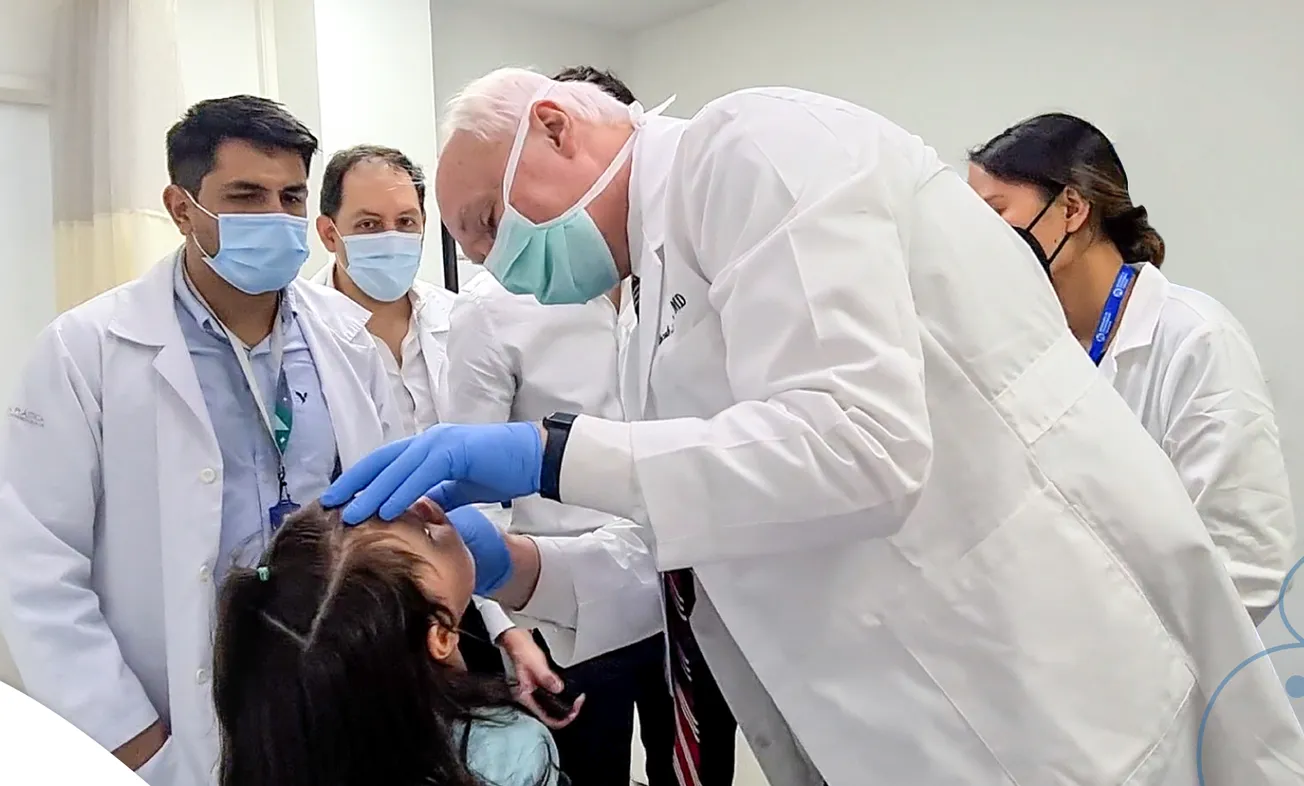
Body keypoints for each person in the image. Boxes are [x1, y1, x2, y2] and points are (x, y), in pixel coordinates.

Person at [322, 69, 1304, 785]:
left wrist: (548, 452)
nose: (493, 268)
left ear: (554, 126)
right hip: (895, 725)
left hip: (1035, 705)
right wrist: (522, 565)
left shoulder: (751, 149)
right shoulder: (644, 301)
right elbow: (710, 541)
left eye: (487, 223)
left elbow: (856, 448)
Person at [0, 95, 399, 786]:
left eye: (291, 196)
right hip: (175, 717)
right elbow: (34, 567)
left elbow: (382, 514)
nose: (275, 218)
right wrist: (133, 743)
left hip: (330, 694)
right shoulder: (86, 351)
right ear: (182, 207)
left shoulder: (347, 339)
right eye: (245, 196)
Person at [438, 64, 682, 786]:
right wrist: (507, 626)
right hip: (563, 606)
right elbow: (471, 488)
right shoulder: (497, 304)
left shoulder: (674, 276)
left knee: (696, 764)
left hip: (689, 585)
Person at [968, 113, 1295, 624]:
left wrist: (1114, 650)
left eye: (996, 212)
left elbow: (1246, 563)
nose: (981, 240)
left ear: (1072, 208)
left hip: (1157, 676)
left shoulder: (1195, 338)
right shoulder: (1023, 345)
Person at [308, 144, 546, 686]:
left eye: (405, 222)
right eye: (368, 224)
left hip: (470, 591)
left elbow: (489, 495)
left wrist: (508, 625)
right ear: (329, 233)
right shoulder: (301, 337)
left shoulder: (461, 319)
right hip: (360, 607)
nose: (391, 238)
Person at [213, 499, 563, 786]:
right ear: (440, 635)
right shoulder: (508, 752)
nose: (426, 502)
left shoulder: (278, 758)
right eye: (428, 533)